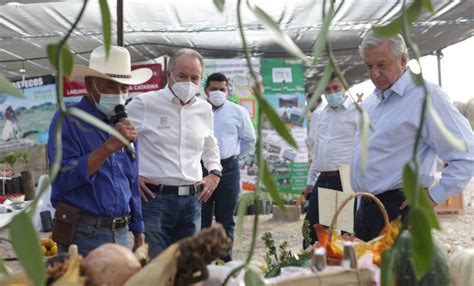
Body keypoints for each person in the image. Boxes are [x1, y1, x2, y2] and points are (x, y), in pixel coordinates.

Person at [351, 31, 474, 241]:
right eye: (369, 67)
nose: (375, 74)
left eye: (382, 65)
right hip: (365, 209)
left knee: (401, 274)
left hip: (400, 210)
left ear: (403, 59)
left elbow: (466, 155)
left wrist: (433, 197)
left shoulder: (426, 97)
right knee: (367, 273)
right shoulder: (372, 102)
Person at [48, 45, 152, 256]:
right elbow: (61, 178)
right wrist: (107, 148)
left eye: (124, 88)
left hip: (121, 230)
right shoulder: (68, 120)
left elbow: (130, 179)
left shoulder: (125, 126)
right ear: (90, 85)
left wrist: (138, 228)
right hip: (82, 231)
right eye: (112, 86)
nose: (120, 94)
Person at [126, 48, 222, 258]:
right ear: (169, 74)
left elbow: (210, 145)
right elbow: (117, 142)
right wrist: (132, 176)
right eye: (182, 76)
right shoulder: (144, 104)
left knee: (187, 267)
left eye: (194, 77)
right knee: (156, 267)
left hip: (192, 201)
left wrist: (215, 173)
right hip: (154, 200)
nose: (188, 82)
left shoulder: (204, 109)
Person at [201, 72, 256, 262]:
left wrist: (233, 155)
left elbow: (250, 140)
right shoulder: (197, 110)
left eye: (221, 89)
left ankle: (225, 264)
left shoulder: (238, 111)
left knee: (225, 220)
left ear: (228, 90)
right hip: (201, 170)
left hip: (228, 170)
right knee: (201, 219)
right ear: (206, 90)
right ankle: (203, 264)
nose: (217, 93)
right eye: (213, 89)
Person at [303, 72, 358, 247]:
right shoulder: (321, 114)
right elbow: (317, 148)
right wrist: (310, 180)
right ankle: (312, 266)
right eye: (327, 90)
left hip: (346, 178)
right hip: (324, 178)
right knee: (313, 230)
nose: (332, 93)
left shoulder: (357, 112)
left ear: (345, 88)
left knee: (347, 233)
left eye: (336, 88)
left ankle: (346, 270)